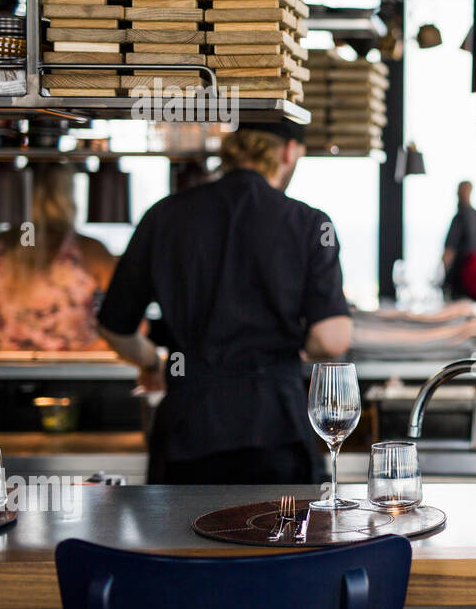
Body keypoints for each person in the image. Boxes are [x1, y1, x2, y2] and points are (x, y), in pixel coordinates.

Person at [96, 122, 352, 485]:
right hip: (276, 427)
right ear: (289, 151)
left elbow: (114, 327)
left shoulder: (165, 215)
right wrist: (301, 346)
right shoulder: (310, 223)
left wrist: (152, 361)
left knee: (185, 540)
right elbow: (332, 339)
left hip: (190, 428)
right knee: (279, 538)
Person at [0, 163, 115, 351]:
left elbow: (133, 322)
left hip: (10, 371)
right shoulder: (90, 251)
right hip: (79, 372)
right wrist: (88, 354)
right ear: (67, 196)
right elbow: (135, 324)